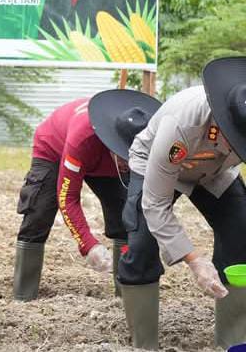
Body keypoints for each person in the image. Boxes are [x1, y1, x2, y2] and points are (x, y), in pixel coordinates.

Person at [118, 57, 246, 350]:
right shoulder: (182, 125)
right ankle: (144, 342)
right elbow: (155, 202)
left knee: (241, 228)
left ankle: (231, 340)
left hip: (216, 170)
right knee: (142, 244)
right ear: (221, 119)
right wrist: (194, 259)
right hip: (157, 164)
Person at [13, 90, 161, 301]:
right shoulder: (82, 139)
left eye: (134, 157)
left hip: (103, 161)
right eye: (124, 157)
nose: (128, 164)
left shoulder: (145, 139)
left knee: (126, 215)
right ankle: (23, 295)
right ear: (114, 143)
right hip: (54, 148)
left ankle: (126, 291)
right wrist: (88, 244)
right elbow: (67, 197)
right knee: (39, 212)